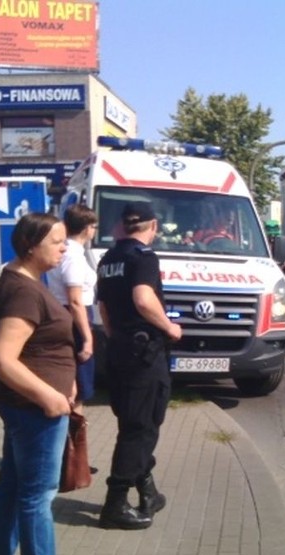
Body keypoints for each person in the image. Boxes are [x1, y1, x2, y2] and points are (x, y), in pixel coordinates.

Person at [0, 213, 92, 555]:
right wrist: (49, 395)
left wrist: (66, 380)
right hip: (34, 409)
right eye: (58, 242)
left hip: (27, 405)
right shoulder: (24, 291)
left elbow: (39, 347)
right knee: (36, 497)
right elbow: (2, 357)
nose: (65, 249)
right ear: (31, 246)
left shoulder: (24, 281)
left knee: (12, 488)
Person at [96, 201, 182, 530]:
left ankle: (148, 492)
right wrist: (170, 327)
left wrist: (118, 336)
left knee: (133, 423)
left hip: (118, 350)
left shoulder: (109, 259)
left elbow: (103, 309)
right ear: (153, 226)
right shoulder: (142, 257)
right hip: (143, 354)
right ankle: (115, 503)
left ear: (123, 225)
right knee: (140, 428)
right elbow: (144, 299)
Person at [47, 204, 99, 416]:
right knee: (78, 387)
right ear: (87, 228)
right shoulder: (73, 256)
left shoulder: (68, 252)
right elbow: (75, 300)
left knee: (75, 385)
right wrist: (87, 338)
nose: (94, 231)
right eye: (94, 226)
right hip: (75, 317)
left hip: (67, 314)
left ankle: (72, 441)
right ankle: (74, 443)